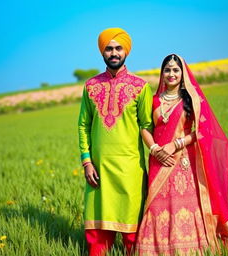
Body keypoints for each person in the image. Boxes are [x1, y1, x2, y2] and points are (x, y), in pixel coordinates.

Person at [136, 54, 228, 255]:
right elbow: (144, 127)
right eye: (167, 70)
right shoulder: (153, 101)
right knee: (155, 205)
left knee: (186, 205)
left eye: (175, 70)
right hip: (158, 161)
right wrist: (155, 149)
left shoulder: (192, 99)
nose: (171, 74)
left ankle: (194, 249)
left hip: (184, 163)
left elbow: (202, 131)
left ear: (182, 73)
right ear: (161, 73)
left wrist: (176, 144)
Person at [78, 28, 153, 256]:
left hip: (130, 168)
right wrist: (87, 162)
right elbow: (83, 126)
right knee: (98, 231)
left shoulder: (141, 87)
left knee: (132, 229)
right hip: (99, 168)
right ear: (102, 52)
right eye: (109, 48)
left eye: (118, 48)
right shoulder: (90, 86)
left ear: (126, 51)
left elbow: (147, 126)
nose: (113, 53)